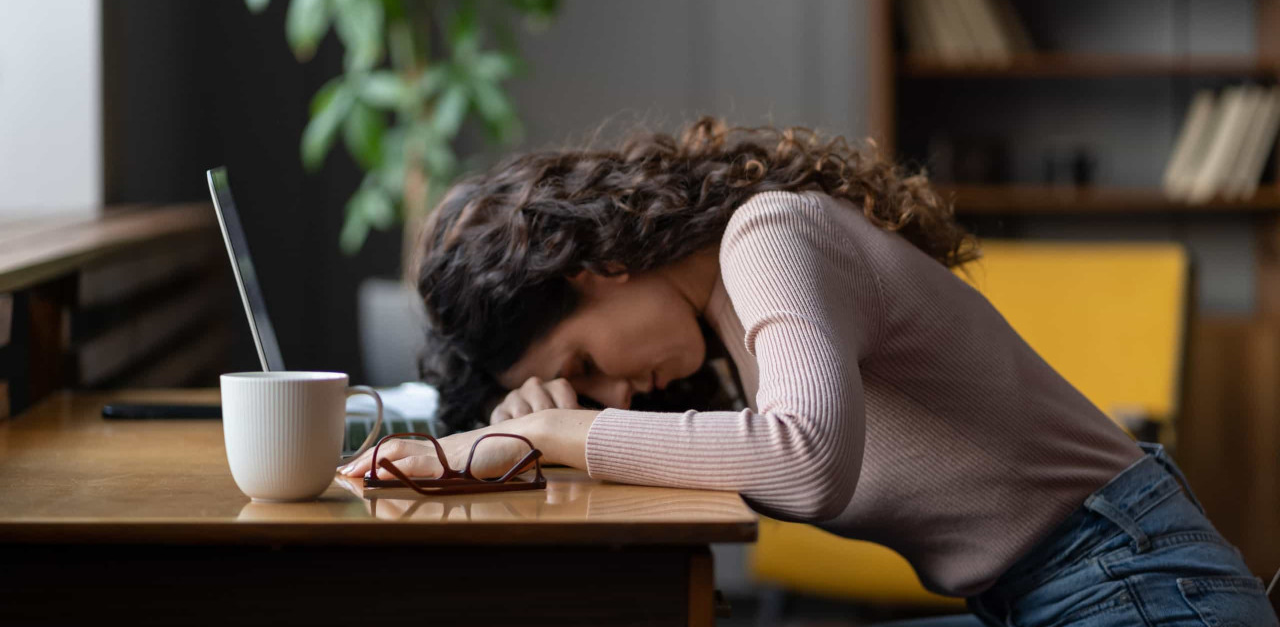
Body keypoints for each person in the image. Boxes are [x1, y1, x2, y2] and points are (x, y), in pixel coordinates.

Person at [341, 118, 1278, 626]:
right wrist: (546, 431)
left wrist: (557, 430)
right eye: (585, 390)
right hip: (1058, 594)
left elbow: (804, 459)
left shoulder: (768, 233)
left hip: (1138, 588)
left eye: (585, 362)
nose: (614, 394)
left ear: (597, 268)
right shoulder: (727, 325)